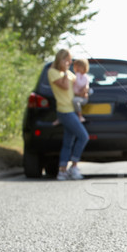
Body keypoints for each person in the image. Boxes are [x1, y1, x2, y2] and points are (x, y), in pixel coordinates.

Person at [48, 49, 89, 180]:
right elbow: (65, 86)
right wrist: (65, 71)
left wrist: (84, 90)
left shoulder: (68, 73)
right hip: (65, 110)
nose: (70, 63)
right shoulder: (53, 72)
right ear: (61, 59)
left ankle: (62, 170)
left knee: (68, 142)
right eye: (68, 60)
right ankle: (74, 166)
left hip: (71, 109)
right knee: (83, 136)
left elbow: (75, 87)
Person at [72, 58, 91, 122]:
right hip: (76, 95)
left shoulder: (85, 77)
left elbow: (79, 84)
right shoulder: (76, 76)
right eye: (76, 66)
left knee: (75, 101)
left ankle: (80, 116)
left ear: (84, 68)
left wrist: (77, 75)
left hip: (82, 98)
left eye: (79, 66)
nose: (77, 68)